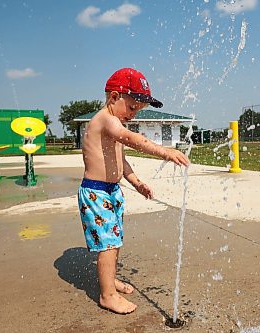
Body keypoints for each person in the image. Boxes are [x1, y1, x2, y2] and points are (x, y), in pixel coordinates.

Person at [77, 68, 190, 314]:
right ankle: (107, 294)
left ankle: (111, 279)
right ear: (114, 97)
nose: (134, 114)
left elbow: (120, 160)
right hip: (96, 192)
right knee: (107, 244)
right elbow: (131, 139)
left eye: (137, 110)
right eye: (132, 107)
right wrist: (165, 151)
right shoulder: (105, 119)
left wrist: (136, 182)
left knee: (113, 241)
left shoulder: (113, 122)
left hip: (111, 191)